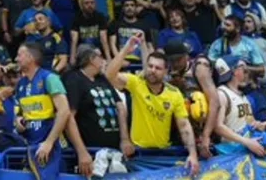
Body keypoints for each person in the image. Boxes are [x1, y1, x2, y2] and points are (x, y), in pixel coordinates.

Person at [105, 35, 200, 175]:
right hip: (138, 154)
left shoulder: (174, 94)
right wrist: (125, 50)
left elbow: (184, 126)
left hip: (164, 154)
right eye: (150, 66)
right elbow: (109, 76)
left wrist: (193, 154)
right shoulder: (136, 83)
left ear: (166, 71)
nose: (152, 70)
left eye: (158, 68)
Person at [14, 43, 90, 177]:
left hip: (53, 148)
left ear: (30, 57)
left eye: (19, 55)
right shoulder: (20, 84)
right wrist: (19, 121)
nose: (16, 59)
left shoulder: (50, 78)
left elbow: (65, 112)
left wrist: (49, 142)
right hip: (30, 147)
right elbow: (18, 115)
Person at [64, 46, 133, 155]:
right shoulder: (73, 79)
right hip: (91, 151)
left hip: (115, 149)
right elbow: (69, 117)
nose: (104, 60)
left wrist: (125, 139)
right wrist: (82, 152)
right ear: (91, 59)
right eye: (100, 57)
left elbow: (120, 107)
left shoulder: (102, 78)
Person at [212, 56, 266, 156]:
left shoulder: (243, 96)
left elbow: (248, 122)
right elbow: (218, 127)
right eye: (245, 70)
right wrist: (246, 142)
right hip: (231, 153)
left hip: (247, 148)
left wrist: (258, 125)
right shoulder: (222, 94)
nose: (247, 74)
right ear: (235, 71)